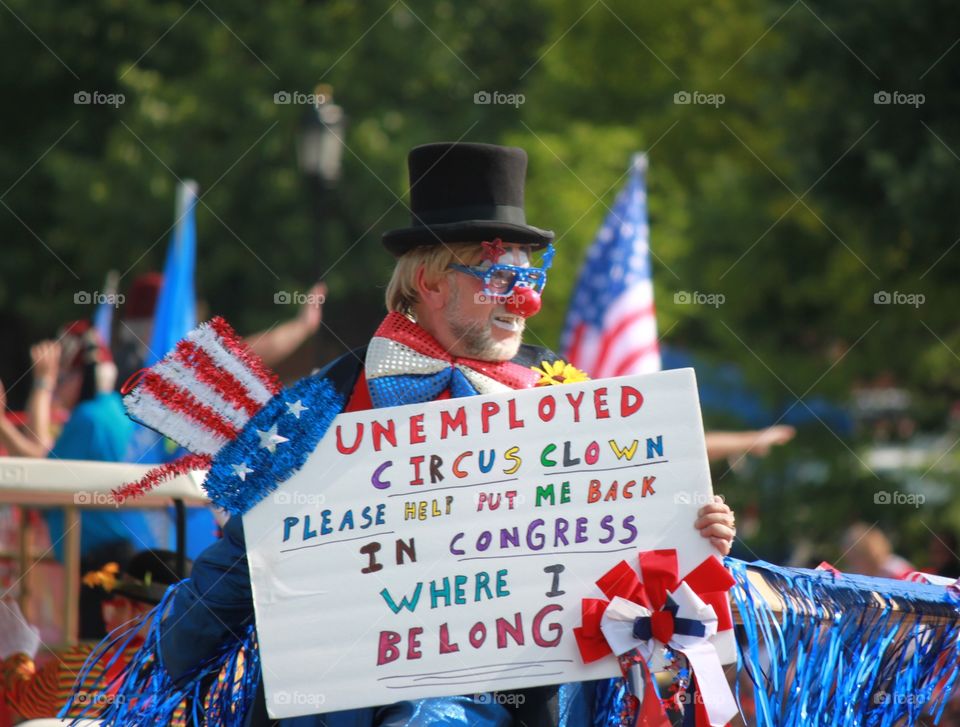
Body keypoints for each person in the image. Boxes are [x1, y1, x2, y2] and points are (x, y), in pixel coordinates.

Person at [86, 142, 737, 726]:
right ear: (428, 279)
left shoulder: (564, 395)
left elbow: (633, 558)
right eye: (498, 276)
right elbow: (242, 561)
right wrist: (139, 682)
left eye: (530, 276)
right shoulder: (327, 402)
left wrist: (695, 532)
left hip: (519, 703)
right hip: (352, 700)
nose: (524, 300)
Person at [0, 549, 190, 721]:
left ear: (136, 615)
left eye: (116, 607)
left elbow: (22, 696)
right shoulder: (213, 680)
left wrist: (16, 653)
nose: (108, 623)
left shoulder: (79, 667)